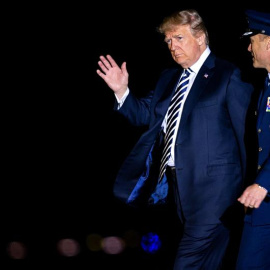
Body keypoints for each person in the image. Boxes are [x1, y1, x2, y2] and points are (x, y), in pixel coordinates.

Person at [96, 9, 254, 270]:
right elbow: (145, 114)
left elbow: (246, 133)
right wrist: (122, 91)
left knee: (186, 263)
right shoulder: (169, 78)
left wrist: (253, 185)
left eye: (179, 38)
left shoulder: (228, 75)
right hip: (178, 191)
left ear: (201, 37)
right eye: (168, 41)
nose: (173, 46)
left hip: (216, 195)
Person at [236, 9, 270, 270]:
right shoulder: (265, 87)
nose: (249, 47)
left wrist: (263, 184)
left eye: (253, 40)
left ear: (268, 41)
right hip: (262, 210)